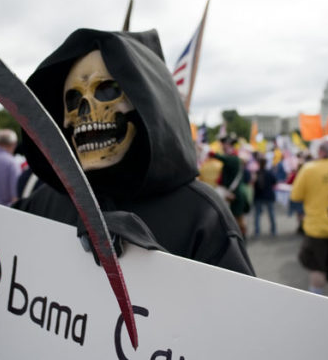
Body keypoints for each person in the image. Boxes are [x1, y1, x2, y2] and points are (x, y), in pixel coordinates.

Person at [15, 28, 254, 275]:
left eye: (106, 90)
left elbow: (238, 309)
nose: (85, 112)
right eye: (74, 100)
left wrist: (148, 258)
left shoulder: (202, 214)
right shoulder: (49, 199)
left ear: (145, 106)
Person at [290, 138, 328, 294]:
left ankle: (317, 304)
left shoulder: (309, 169)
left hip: (316, 230)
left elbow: (296, 196)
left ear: (320, 152)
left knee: (317, 269)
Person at [211, 136, 251, 238]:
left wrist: (208, 151)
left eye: (226, 145)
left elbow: (218, 157)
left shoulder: (233, 159)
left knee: (238, 217)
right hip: (235, 192)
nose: (224, 148)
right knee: (237, 216)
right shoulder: (234, 158)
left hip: (235, 193)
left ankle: (241, 236)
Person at [252, 157, 277, 236]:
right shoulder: (269, 172)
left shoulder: (256, 173)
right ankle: (273, 230)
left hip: (258, 196)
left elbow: (253, 183)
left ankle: (257, 231)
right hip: (268, 195)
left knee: (257, 214)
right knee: (271, 213)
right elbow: (274, 181)